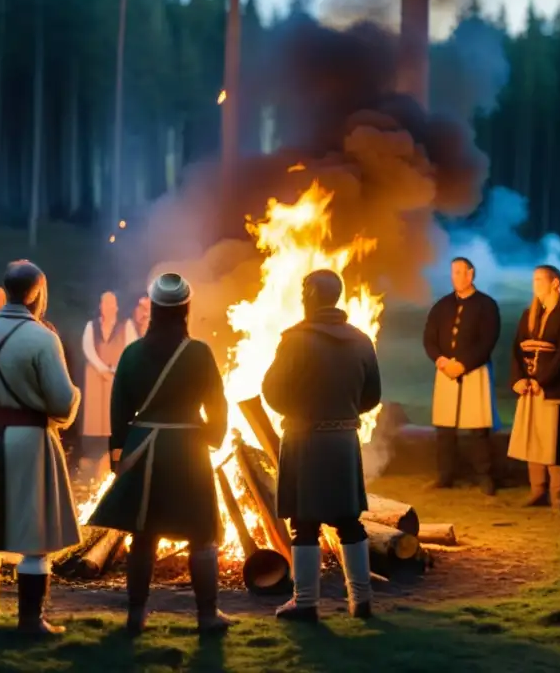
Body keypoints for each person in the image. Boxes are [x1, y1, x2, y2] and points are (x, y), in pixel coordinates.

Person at [89, 273, 232, 636]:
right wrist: (212, 437)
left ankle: (136, 617)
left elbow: (119, 410)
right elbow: (217, 406)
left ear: (153, 309)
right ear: (185, 309)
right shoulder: (198, 352)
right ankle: (207, 616)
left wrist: (119, 455)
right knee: (201, 535)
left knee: (144, 535)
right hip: (188, 450)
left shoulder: (132, 353)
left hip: (143, 449)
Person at [0, 260, 81, 634]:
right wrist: (72, 399)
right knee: (34, 535)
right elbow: (62, 402)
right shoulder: (43, 338)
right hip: (30, 441)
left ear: (6, 289)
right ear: (38, 294)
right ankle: (31, 620)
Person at [261, 269, 381, 621]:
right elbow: (372, 395)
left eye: (303, 291)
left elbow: (272, 392)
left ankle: (306, 603)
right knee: (349, 522)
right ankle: (361, 601)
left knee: (305, 524)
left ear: (312, 295)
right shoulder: (361, 339)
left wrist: (301, 412)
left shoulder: (295, 340)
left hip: (304, 439)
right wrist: (342, 414)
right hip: (343, 441)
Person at [507, 266, 560, 513]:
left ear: (555, 283)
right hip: (529, 389)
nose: (535, 283)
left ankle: (557, 497)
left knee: (555, 444)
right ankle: (538, 491)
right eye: (534, 279)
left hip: (553, 389)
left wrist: (542, 380)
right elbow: (517, 350)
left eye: (540, 279)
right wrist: (519, 379)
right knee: (533, 439)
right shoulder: (529, 314)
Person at [423, 257, 501, 494]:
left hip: (474, 371)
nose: (455, 277)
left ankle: (485, 477)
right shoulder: (442, 305)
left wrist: (465, 364)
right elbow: (429, 338)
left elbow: (488, 340)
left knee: (478, 428)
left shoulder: (486, 305)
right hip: (446, 371)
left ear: (470, 274)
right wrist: (440, 359)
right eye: (453, 272)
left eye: (459, 272)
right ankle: (445, 476)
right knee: (445, 429)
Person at [79, 290, 126, 480]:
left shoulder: (125, 326)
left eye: (111, 303)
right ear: (100, 306)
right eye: (104, 303)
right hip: (96, 377)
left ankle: (112, 454)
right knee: (95, 417)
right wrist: (101, 368)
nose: (108, 307)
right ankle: (93, 455)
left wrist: (115, 369)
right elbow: (88, 348)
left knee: (112, 414)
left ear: (116, 306)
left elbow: (130, 345)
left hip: (116, 375)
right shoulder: (92, 326)